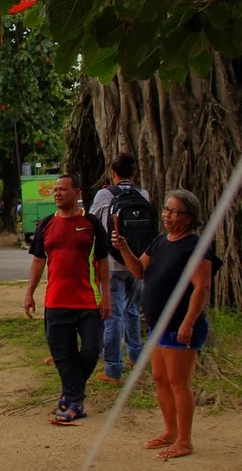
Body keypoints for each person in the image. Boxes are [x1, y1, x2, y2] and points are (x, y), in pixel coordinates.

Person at [112, 189, 219, 459]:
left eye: (174, 212)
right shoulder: (161, 241)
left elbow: (201, 288)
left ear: (189, 217)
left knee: (177, 382)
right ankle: (170, 431)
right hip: (159, 325)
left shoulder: (195, 245)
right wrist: (124, 247)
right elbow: (139, 271)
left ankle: (184, 440)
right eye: (166, 210)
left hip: (180, 325)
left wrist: (188, 323)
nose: (167, 216)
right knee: (160, 379)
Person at [24, 174, 111, 423]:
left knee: (92, 350)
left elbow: (103, 262)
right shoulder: (47, 224)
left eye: (63, 189)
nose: (57, 193)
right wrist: (29, 293)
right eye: (55, 190)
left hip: (88, 301)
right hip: (56, 301)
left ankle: (71, 394)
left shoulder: (92, 223)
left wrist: (106, 297)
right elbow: (38, 260)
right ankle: (75, 403)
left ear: (77, 192)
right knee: (63, 354)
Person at [89, 153, 148, 384]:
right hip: (137, 262)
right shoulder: (143, 194)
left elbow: (91, 221)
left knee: (113, 314)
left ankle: (113, 368)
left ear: (113, 173)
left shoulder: (104, 194)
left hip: (112, 263)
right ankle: (136, 356)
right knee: (133, 310)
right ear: (134, 174)